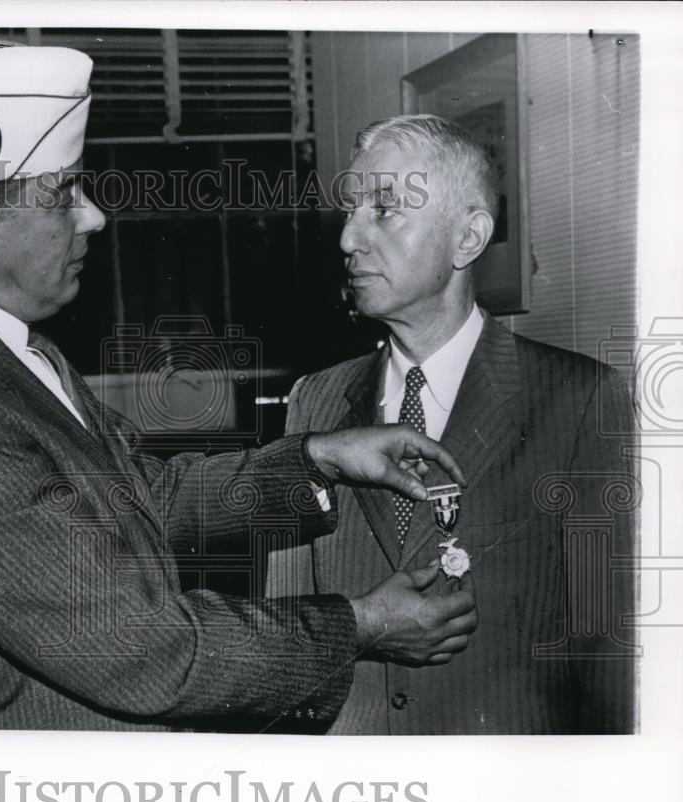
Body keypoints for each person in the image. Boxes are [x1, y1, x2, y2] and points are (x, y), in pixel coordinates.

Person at [0, 40, 478, 731]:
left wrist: (314, 459)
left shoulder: (0, 355)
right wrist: (362, 625)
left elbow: (137, 500)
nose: (94, 216)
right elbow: (146, 650)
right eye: (63, 195)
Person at [268, 114, 637, 734]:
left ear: (468, 240)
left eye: (384, 211)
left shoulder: (580, 401)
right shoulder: (315, 403)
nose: (348, 240)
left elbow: (607, 646)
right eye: (350, 211)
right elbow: (281, 621)